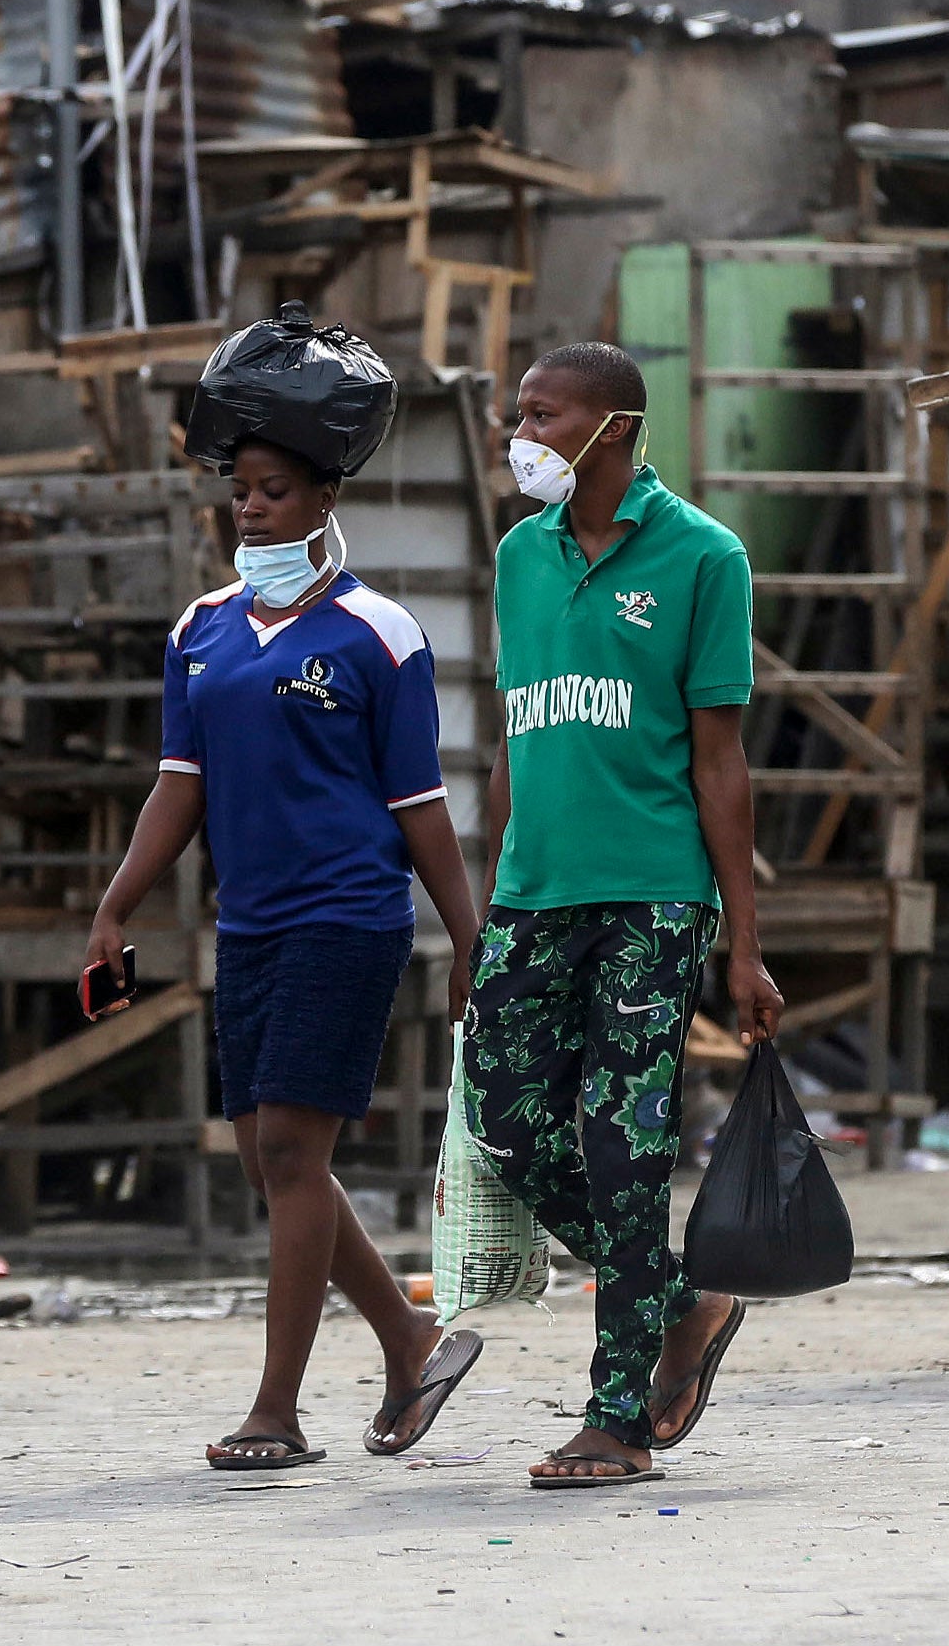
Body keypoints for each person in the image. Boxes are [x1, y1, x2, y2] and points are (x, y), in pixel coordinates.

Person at [86, 434, 486, 1471]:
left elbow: (421, 807)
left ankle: (277, 1408)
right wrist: (115, 905)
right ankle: (411, 1340)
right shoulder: (199, 632)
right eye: (239, 494)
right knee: (266, 1155)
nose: (251, 511)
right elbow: (179, 783)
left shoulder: (378, 634)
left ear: (323, 496)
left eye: (273, 493)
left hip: (348, 918)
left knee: (291, 1155)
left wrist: (466, 936)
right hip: (249, 925)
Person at [465, 340, 781, 1490]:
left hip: (652, 894)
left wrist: (740, 943)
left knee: (620, 1144)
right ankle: (685, 1301)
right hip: (530, 894)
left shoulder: (704, 556)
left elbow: (720, 763)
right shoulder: (517, 557)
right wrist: (487, 904)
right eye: (519, 415)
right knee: (502, 1123)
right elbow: (513, 740)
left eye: (542, 417)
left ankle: (617, 1416)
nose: (523, 436)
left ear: (611, 427)